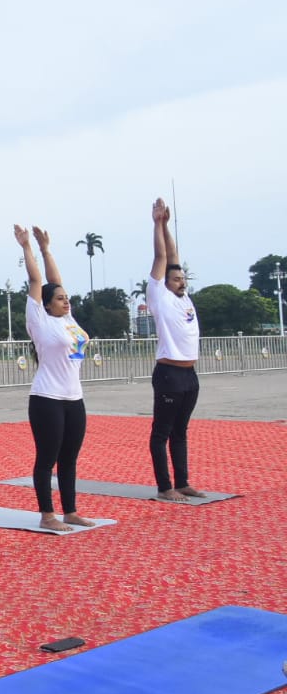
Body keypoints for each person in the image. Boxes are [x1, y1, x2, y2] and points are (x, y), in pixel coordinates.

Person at [14, 224, 94, 531]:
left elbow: (55, 280)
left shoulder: (69, 319)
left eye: (66, 297)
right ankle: (48, 515)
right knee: (47, 458)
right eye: (59, 298)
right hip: (47, 399)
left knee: (70, 459)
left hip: (74, 398)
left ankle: (70, 511)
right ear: (46, 304)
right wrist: (27, 247)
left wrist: (47, 248)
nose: (65, 300)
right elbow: (39, 280)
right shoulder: (39, 320)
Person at [146, 198, 205, 502]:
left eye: (183, 279)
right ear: (164, 283)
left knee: (180, 431)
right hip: (169, 373)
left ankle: (182, 481)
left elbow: (175, 255)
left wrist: (168, 225)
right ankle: (164, 486)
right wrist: (157, 223)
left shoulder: (183, 298)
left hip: (189, 375)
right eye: (176, 279)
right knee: (162, 433)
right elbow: (163, 256)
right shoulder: (160, 296)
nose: (181, 282)